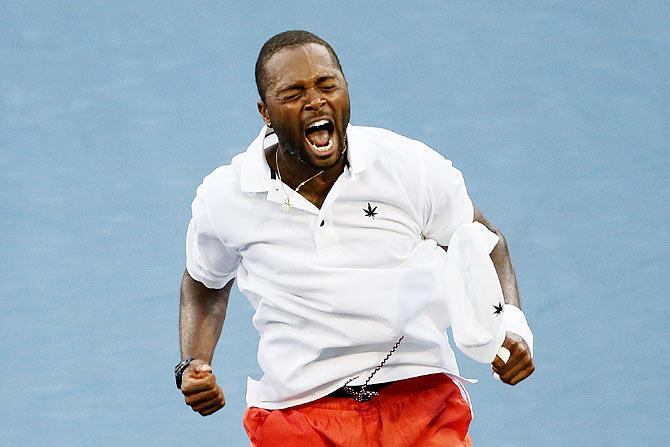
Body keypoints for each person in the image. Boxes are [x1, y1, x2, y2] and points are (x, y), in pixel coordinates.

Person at [176, 30, 535, 446]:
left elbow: (485, 243)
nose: (315, 101)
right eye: (293, 93)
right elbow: (204, 283)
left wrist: (511, 327)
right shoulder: (225, 196)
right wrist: (193, 363)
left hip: (419, 398)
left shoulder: (409, 166)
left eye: (328, 85)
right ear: (266, 113)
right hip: (298, 414)